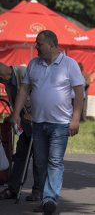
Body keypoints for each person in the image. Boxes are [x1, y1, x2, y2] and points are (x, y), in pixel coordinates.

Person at [11, 30, 84, 215]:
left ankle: (50, 199)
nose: (36, 47)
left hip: (60, 124)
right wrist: (16, 113)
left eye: (39, 44)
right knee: (41, 162)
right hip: (38, 122)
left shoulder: (69, 64)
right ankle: (45, 198)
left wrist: (75, 118)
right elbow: (24, 89)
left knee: (55, 161)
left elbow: (79, 92)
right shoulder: (34, 64)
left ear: (51, 44)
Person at [0, 63, 41, 201]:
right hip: (25, 121)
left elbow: (41, 93)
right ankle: (13, 188)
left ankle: (38, 191)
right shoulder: (8, 83)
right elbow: (17, 103)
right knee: (21, 154)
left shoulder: (24, 73)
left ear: (2, 76)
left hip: (39, 119)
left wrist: (34, 113)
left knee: (39, 158)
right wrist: (14, 116)